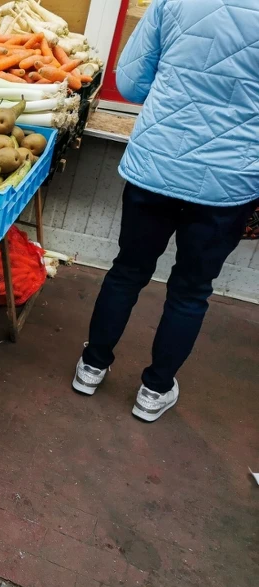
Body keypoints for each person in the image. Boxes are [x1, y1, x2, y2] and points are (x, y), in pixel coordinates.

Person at [72, 0, 259, 422]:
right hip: (227, 182)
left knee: (127, 272)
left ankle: (92, 366)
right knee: (191, 292)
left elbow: (134, 84)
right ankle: (154, 391)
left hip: (155, 166)